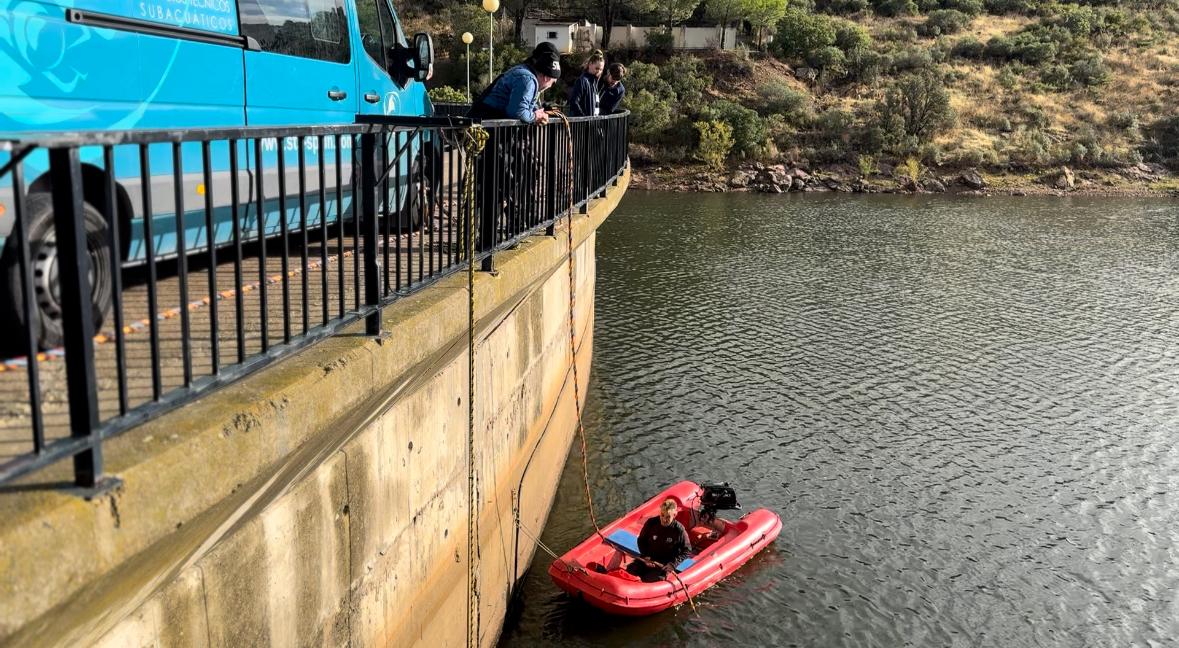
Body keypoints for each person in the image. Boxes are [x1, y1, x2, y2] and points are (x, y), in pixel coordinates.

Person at [469, 42, 561, 123]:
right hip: (486, 127)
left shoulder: (522, 72)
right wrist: (536, 116)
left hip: (485, 122)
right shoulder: (527, 80)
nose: (549, 87)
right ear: (546, 78)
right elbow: (517, 112)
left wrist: (536, 111)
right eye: (553, 83)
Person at [626, 499, 692, 582]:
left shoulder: (679, 530)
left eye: (668, 517)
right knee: (629, 571)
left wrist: (672, 565)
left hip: (663, 565)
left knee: (648, 580)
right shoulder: (651, 523)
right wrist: (646, 556)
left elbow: (687, 550)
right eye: (662, 515)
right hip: (648, 559)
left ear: (674, 515)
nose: (664, 519)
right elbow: (641, 540)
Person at [567, 49, 604, 117]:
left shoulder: (593, 82)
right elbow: (574, 102)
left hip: (591, 123)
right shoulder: (582, 81)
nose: (599, 71)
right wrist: (584, 118)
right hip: (583, 124)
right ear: (590, 64)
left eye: (601, 70)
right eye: (597, 68)